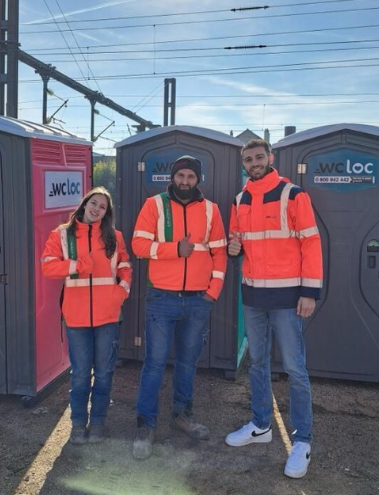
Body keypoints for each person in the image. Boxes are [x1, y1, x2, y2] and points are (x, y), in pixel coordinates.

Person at [225, 139, 322, 479]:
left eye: (258, 157)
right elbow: (238, 246)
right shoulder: (239, 200)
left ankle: (303, 440)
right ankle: (261, 425)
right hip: (252, 296)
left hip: (287, 297)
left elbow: (311, 241)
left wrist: (310, 291)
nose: (254, 163)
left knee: (296, 370)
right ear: (244, 164)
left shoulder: (293, 194)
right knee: (257, 363)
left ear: (270, 158)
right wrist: (233, 248)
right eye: (248, 159)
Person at [131, 155, 228, 460]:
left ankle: (181, 416)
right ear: (172, 177)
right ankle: (146, 425)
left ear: (198, 179)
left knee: (187, 363)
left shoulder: (211, 210)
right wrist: (175, 250)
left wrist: (213, 292)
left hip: (198, 300)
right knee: (155, 364)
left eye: (190, 176)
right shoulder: (154, 205)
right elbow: (138, 245)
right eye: (180, 176)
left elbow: (220, 254)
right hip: (162, 298)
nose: (185, 181)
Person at [41, 186, 132, 444]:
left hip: (108, 317)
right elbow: (47, 266)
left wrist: (121, 292)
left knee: (104, 373)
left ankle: (99, 422)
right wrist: (78, 266)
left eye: (102, 207)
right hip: (76, 317)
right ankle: (79, 424)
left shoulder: (114, 236)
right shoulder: (61, 234)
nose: (97, 209)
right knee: (81, 374)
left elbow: (125, 266)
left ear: (107, 212)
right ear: (84, 204)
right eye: (94, 203)